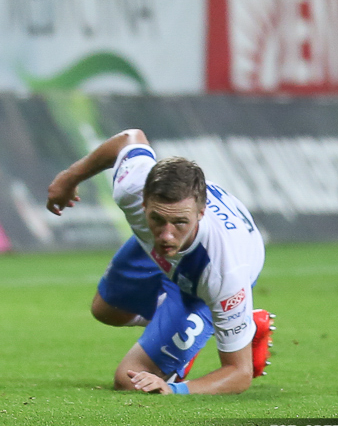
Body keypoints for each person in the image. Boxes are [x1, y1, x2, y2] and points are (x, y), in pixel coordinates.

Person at [46, 129, 274, 395]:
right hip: (156, 250)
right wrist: (70, 177)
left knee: (129, 380)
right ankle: (183, 334)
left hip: (199, 281)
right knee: (107, 310)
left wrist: (174, 390)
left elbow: (239, 373)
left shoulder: (224, 273)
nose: (166, 235)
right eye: (157, 219)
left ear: (200, 213)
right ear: (143, 203)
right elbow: (129, 138)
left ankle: (234, 326)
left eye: (180, 222)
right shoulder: (132, 187)